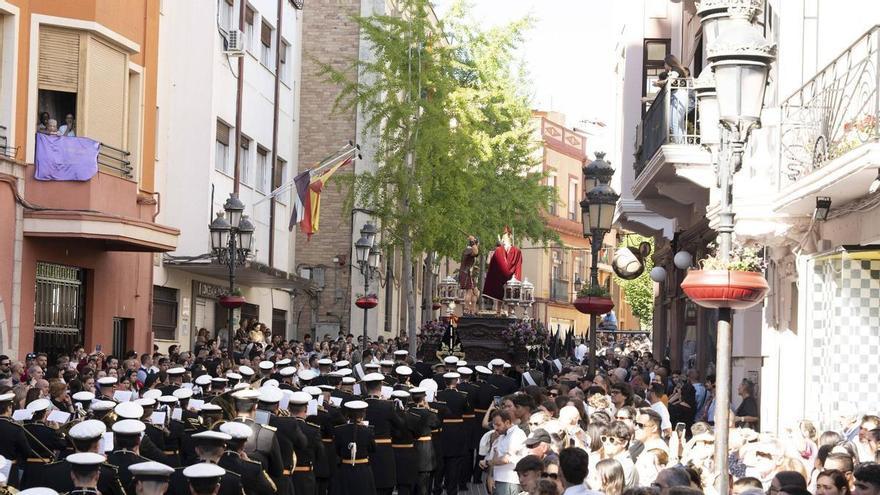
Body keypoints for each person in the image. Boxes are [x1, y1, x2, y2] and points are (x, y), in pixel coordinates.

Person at [485, 409, 527, 495]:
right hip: (499, 480)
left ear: (507, 422)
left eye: (498, 425)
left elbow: (505, 459)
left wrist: (487, 462)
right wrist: (490, 476)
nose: (495, 428)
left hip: (509, 482)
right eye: (494, 425)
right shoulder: (502, 436)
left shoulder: (517, 434)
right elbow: (495, 456)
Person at [459, 235, 480, 314]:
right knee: (469, 291)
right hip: (466, 273)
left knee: (476, 293)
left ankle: (472, 310)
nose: (478, 246)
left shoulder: (469, 249)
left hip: (470, 274)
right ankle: (466, 310)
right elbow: (476, 252)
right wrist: (472, 241)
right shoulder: (468, 249)